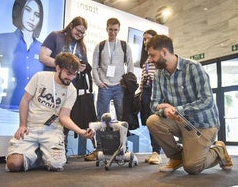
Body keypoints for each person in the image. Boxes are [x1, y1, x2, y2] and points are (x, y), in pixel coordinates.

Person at [146, 35, 233, 175]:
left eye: (152, 55)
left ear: (164, 52)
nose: (150, 60)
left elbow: (207, 101)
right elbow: (154, 104)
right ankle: (176, 157)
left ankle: (218, 150)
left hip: (203, 124)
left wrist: (177, 110)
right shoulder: (158, 75)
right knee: (153, 121)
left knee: (192, 167)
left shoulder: (193, 67)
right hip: (179, 122)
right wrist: (165, 111)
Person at [5, 52, 95, 172]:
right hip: (31, 128)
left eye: (74, 74)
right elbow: (25, 101)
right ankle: (38, 154)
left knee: (56, 165)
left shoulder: (71, 90)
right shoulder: (40, 77)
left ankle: (40, 154)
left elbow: (64, 117)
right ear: (58, 68)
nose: (71, 78)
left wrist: (81, 131)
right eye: (68, 73)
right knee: (13, 164)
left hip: (52, 130)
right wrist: (22, 125)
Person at [39, 16, 96, 156]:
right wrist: (65, 66)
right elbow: (43, 57)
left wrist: (81, 68)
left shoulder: (81, 46)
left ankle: (60, 148)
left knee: (64, 117)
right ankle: (41, 148)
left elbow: (84, 65)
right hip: (52, 84)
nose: (80, 35)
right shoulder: (55, 36)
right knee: (46, 115)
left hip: (70, 88)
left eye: (83, 33)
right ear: (71, 26)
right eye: (78, 30)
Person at [0, 0, 44, 112]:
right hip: (7, 110)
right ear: (19, 11)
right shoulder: (0, 40)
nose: (32, 18)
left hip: (35, 114)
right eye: (28, 10)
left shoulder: (43, 49)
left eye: (37, 14)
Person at [86, 17, 134, 161]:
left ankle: (122, 147)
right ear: (106, 29)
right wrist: (99, 82)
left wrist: (126, 83)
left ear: (119, 30)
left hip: (119, 87)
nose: (113, 32)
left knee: (122, 118)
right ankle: (99, 148)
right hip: (104, 87)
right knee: (101, 119)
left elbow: (130, 66)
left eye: (115, 30)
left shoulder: (125, 46)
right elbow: (94, 67)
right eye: (110, 29)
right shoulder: (100, 46)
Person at [139, 30, 162, 165]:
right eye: (144, 39)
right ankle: (155, 151)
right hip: (146, 91)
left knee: (155, 120)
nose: (145, 41)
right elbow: (143, 76)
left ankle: (157, 152)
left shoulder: (158, 55)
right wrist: (141, 92)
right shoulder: (145, 57)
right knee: (149, 122)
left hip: (155, 89)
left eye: (148, 38)